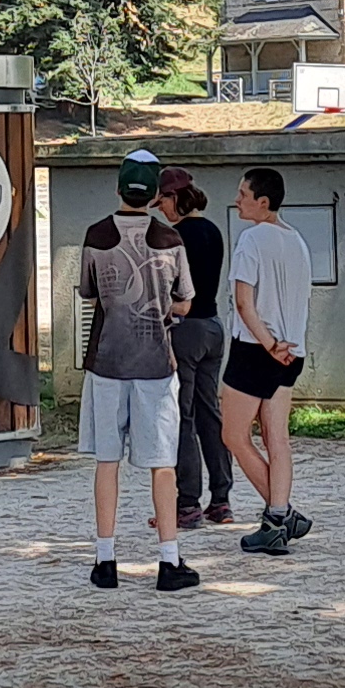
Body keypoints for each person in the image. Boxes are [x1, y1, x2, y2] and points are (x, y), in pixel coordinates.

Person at [73, 150, 198, 591]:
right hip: (156, 366)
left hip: (106, 363)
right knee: (162, 463)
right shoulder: (170, 240)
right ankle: (169, 560)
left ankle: (106, 560)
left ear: (119, 188)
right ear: (154, 195)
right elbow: (185, 300)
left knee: (108, 461)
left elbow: (90, 293)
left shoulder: (96, 235)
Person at [223, 167, 315, 556]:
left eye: (244, 194)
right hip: (292, 350)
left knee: (234, 436)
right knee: (277, 438)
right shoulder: (297, 241)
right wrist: (282, 345)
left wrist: (268, 342)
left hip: (257, 348)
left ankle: (280, 516)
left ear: (264, 202)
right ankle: (278, 516)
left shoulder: (251, 239)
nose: (238, 199)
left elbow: (244, 302)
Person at [155, 167, 236, 530]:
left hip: (185, 331)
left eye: (163, 202)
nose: (160, 210)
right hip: (214, 328)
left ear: (177, 198)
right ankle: (221, 499)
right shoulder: (214, 231)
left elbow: (171, 290)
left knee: (182, 417)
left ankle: (187, 502)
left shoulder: (174, 237)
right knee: (210, 415)